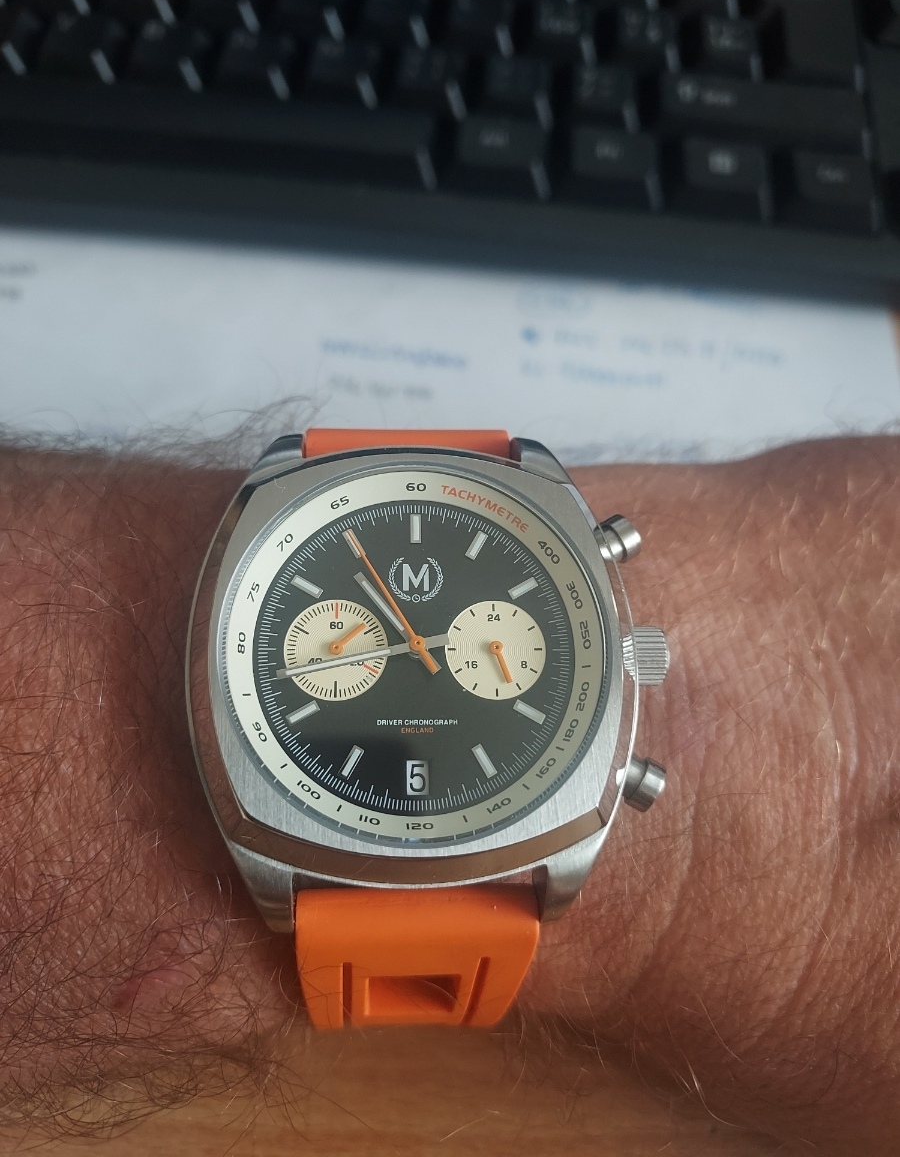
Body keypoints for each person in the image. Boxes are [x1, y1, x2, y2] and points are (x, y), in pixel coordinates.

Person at [1, 432, 897, 1154]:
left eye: (440, 653)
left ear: (633, 660)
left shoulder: (589, 719)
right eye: (421, 652)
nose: (429, 658)